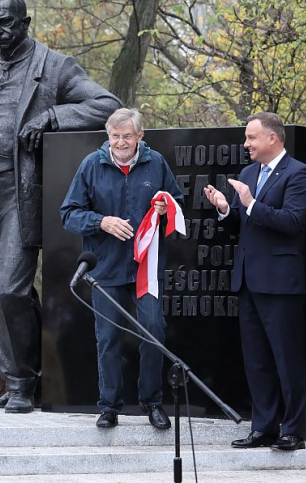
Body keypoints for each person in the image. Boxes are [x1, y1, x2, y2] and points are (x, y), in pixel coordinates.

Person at [0, 0, 121, 414]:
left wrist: (52, 117)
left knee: (6, 289)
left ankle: (23, 381)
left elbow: (108, 105)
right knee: (9, 296)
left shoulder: (54, 67)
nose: (0, 31)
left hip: (18, 196)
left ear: (26, 22)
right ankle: (29, 377)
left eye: (7, 23)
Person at [60, 108, 183, 430]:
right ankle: (109, 407)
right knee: (108, 339)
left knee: (154, 332)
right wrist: (101, 221)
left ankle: (152, 402)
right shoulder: (91, 164)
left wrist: (164, 208)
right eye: (115, 136)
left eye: (127, 136)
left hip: (146, 267)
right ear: (108, 137)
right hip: (106, 269)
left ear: (140, 136)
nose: (121, 142)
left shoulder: (156, 163)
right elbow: (68, 214)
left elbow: (177, 204)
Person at [204, 112, 306, 451]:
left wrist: (251, 203)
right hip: (248, 282)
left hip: (280, 283)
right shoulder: (248, 173)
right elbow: (242, 225)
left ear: (273, 138)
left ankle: (293, 429)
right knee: (256, 360)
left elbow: (293, 221)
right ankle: (263, 426)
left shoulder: (299, 174)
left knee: (287, 358)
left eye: (251, 137)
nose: (246, 144)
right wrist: (226, 210)